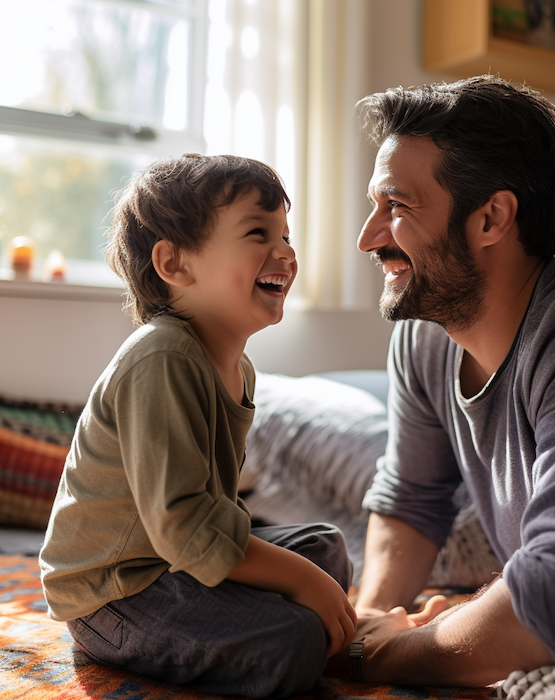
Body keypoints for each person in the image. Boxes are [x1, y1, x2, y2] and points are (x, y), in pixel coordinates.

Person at [334, 75, 555, 687]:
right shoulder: (423, 339)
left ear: (492, 217)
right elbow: (412, 503)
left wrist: (388, 654)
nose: (369, 237)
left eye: (396, 206)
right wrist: (369, 622)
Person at [39, 153, 357, 698]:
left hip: (169, 563)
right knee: (297, 635)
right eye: (259, 232)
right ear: (176, 264)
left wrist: (307, 574)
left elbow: (213, 509)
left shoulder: (235, 367)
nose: (285, 252)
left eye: (286, 233)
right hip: (115, 593)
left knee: (325, 548)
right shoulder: (161, 357)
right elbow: (185, 524)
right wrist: (302, 584)